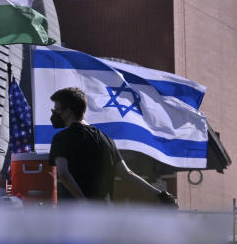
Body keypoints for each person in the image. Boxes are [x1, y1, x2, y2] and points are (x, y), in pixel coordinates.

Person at [48, 87, 177, 206]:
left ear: (68, 112)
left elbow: (63, 173)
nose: (54, 114)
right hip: (104, 214)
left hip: (74, 215)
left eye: (56, 110)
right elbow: (127, 173)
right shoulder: (106, 139)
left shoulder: (62, 138)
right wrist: (160, 195)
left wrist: (85, 204)